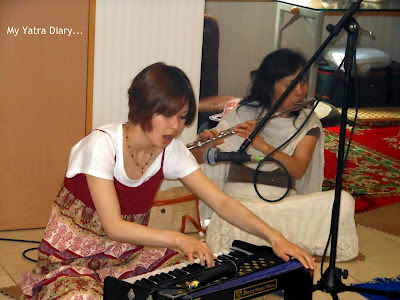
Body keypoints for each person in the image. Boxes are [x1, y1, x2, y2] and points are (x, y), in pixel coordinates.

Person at [20, 62, 315, 300]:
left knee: (195, 278)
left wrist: (274, 237)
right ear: (141, 107)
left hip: (126, 256)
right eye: (166, 114)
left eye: (182, 116)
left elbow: (221, 202)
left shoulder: (169, 151)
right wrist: (177, 238)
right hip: (72, 260)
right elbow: (113, 226)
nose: (175, 126)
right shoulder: (101, 145)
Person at [196, 49, 359, 261]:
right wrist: (207, 144)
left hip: (283, 203)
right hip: (240, 201)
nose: (300, 91)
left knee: (343, 200)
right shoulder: (244, 113)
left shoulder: (308, 122)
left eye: (303, 82)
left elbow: (298, 169)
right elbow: (207, 159)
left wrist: (261, 145)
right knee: (228, 214)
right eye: (291, 84)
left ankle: (266, 243)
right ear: (270, 85)